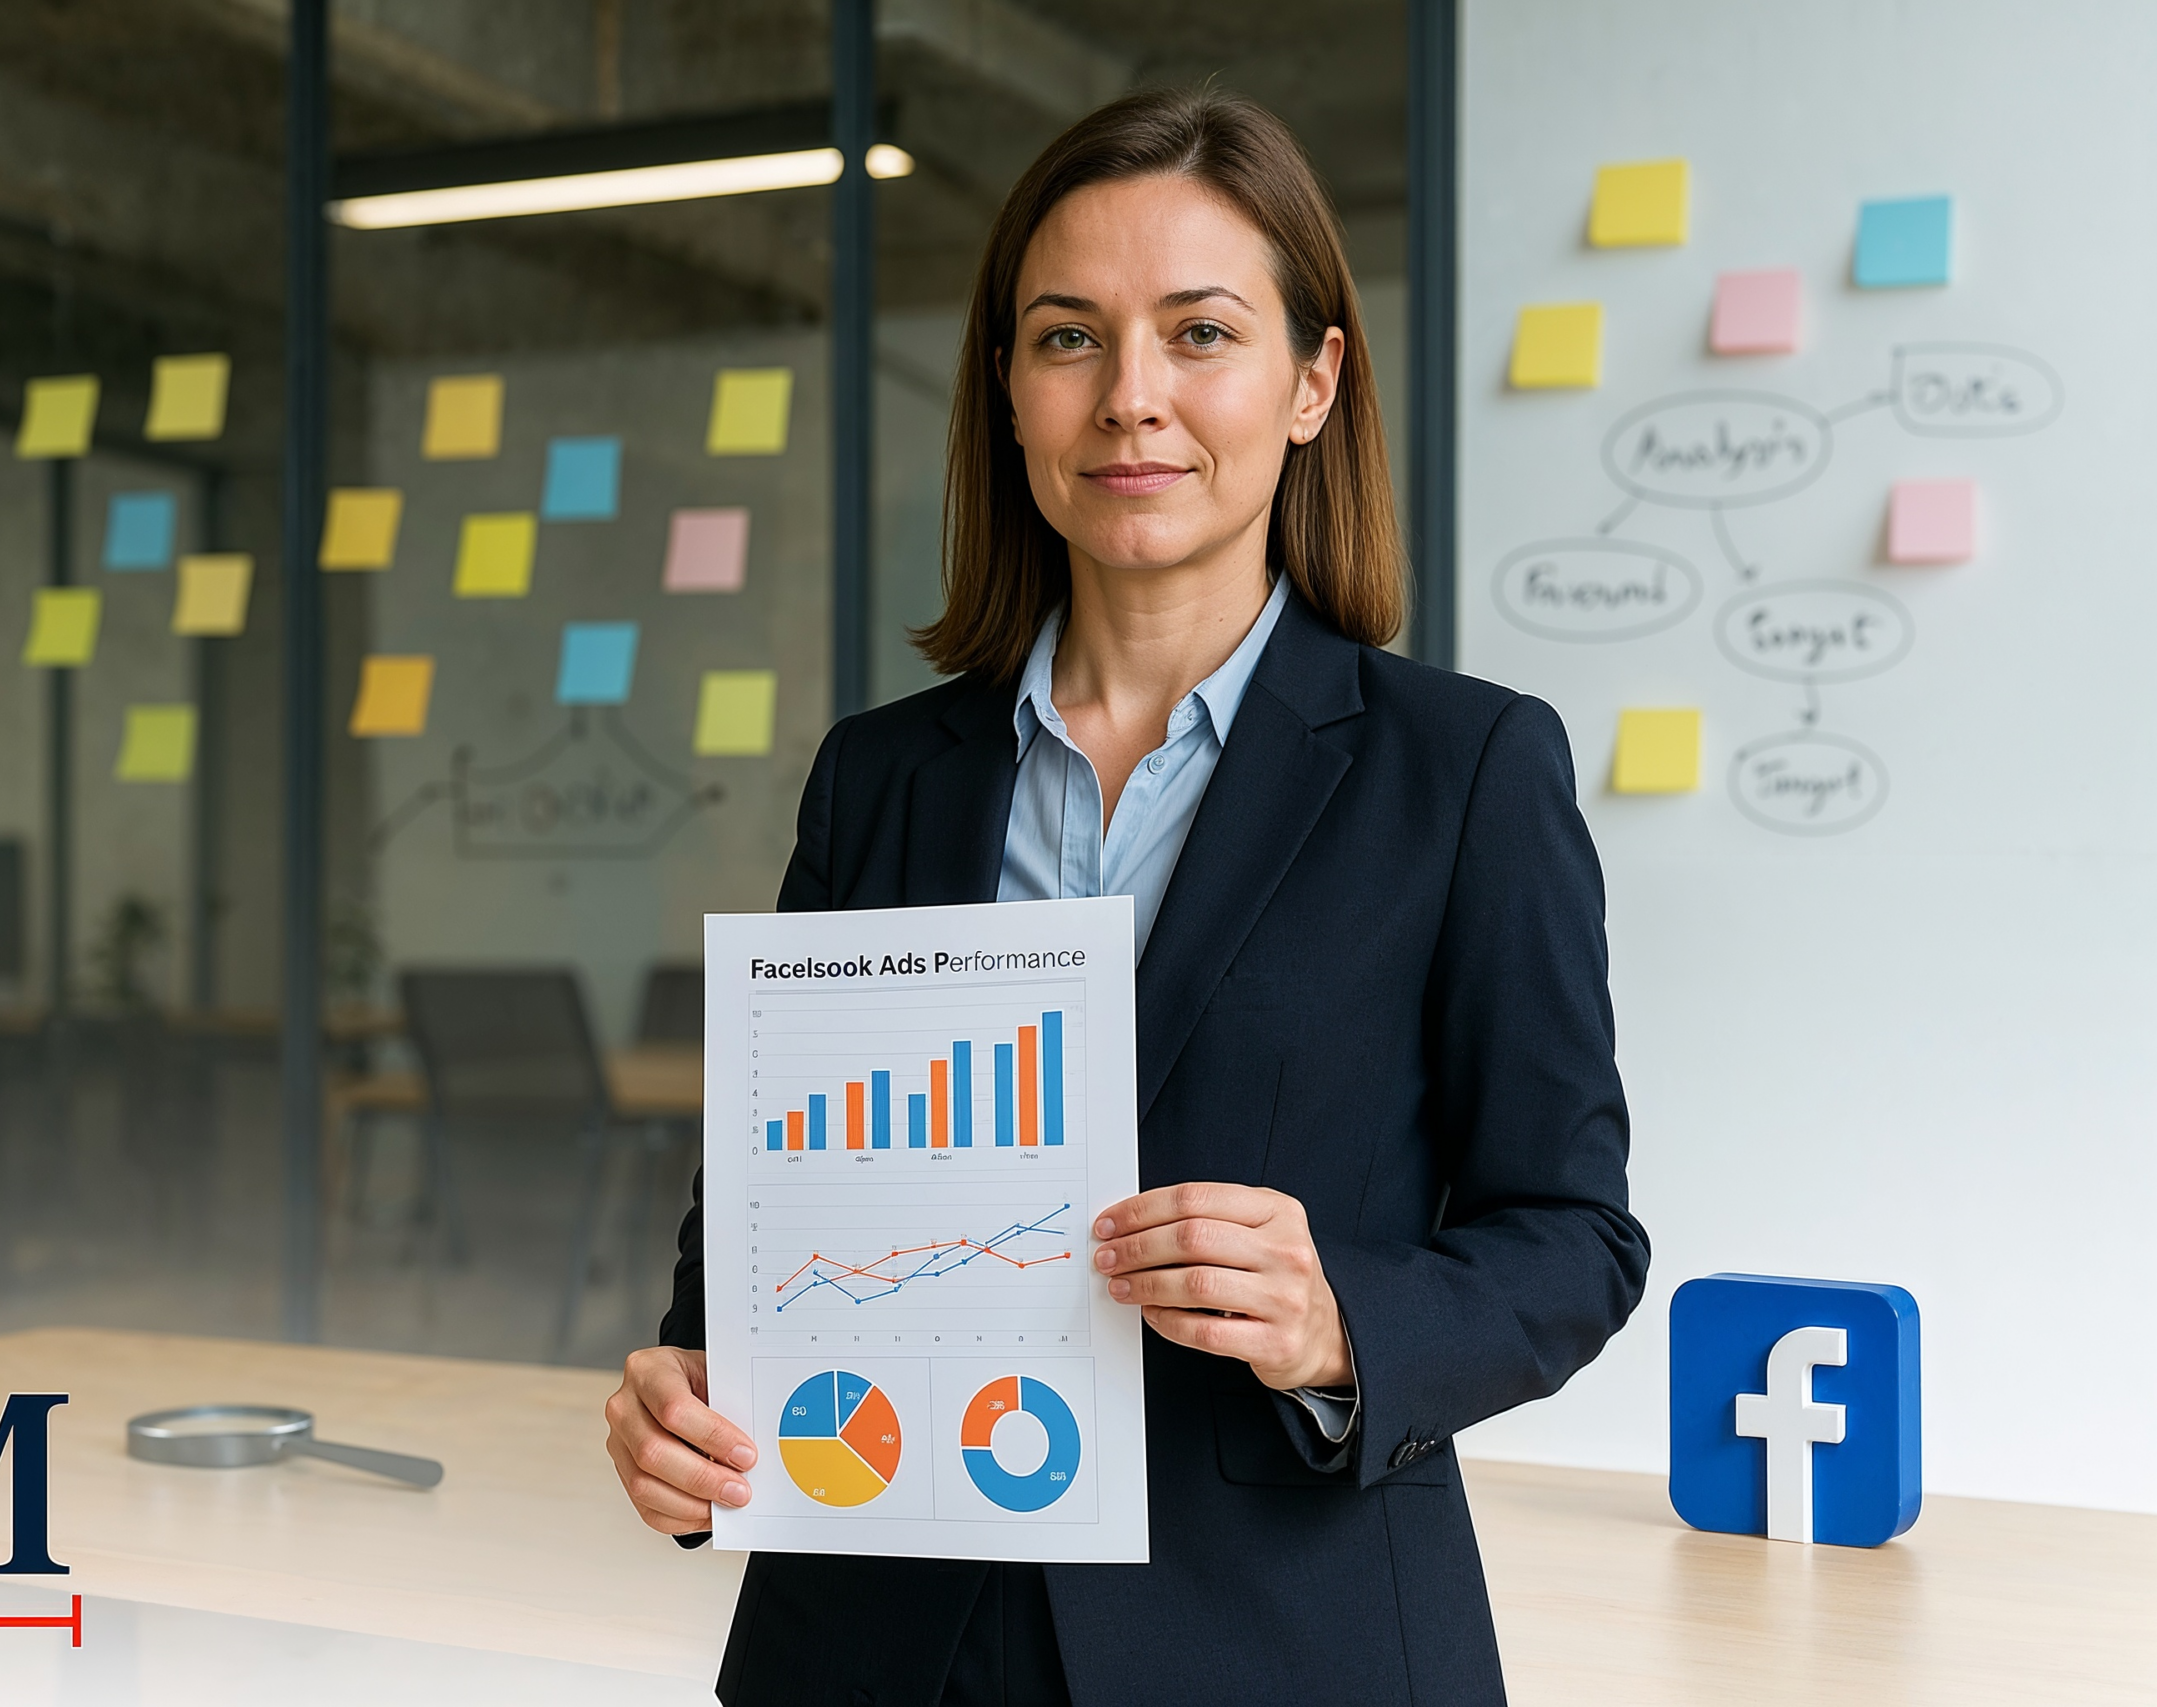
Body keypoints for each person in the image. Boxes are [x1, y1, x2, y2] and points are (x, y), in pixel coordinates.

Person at [604, 85, 1648, 1707]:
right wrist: (682, 1398)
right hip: (877, 1642)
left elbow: (1574, 1239)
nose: (1130, 398)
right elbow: (764, 1214)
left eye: (1201, 333)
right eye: (1069, 339)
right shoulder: (880, 777)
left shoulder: (1464, 772)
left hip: (1279, 1643)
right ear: (1009, 389)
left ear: (1313, 382)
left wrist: (1343, 1320)